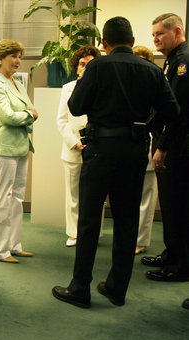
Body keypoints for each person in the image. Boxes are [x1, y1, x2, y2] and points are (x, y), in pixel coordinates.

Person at [52, 16, 180, 308]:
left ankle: (80, 287)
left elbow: (76, 106)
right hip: (135, 150)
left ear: (104, 44)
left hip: (100, 149)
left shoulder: (97, 66)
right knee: (126, 220)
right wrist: (147, 125)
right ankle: (116, 288)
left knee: (89, 219)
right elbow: (172, 111)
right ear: (133, 42)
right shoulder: (152, 69)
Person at [140, 13, 189, 308]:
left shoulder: (183, 63)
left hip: (177, 147)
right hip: (169, 142)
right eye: (154, 34)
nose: (156, 38)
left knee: (178, 205)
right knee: (168, 204)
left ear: (177, 31)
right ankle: (172, 254)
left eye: (160, 33)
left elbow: (179, 113)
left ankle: (180, 265)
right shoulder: (172, 61)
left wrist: (164, 147)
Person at [0, 39, 39, 263]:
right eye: (13, 56)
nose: (18, 61)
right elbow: (9, 116)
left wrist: (27, 115)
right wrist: (31, 116)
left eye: (20, 56)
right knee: (2, 199)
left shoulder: (15, 83)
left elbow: (22, 110)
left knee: (17, 198)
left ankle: (14, 245)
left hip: (20, 146)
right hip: (4, 149)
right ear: (0, 59)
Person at [57, 45, 101, 247]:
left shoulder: (103, 86)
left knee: (95, 195)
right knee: (73, 195)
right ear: (76, 67)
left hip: (97, 148)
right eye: (82, 64)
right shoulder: (67, 89)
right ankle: (74, 233)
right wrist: (75, 143)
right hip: (73, 148)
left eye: (90, 64)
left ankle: (94, 233)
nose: (85, 68)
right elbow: (62, 121)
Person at [132, 45, 159, 255]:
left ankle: (141, 240)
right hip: (131, 147)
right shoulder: (129, 84)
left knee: (147, 198)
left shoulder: (158, 83)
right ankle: (131, 237)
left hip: (152, 144)